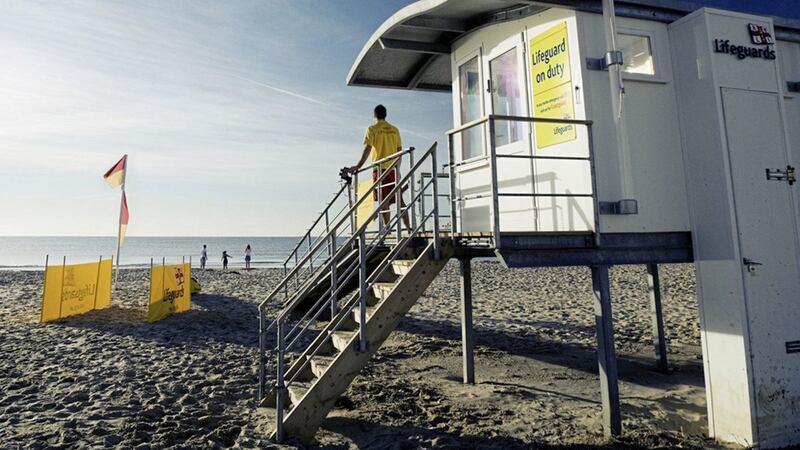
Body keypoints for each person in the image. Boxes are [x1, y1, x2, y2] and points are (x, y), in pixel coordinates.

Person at [349, 104, 411, 231]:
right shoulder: (395, 129)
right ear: (385, 114)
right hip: (393, 168)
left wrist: (359, 165)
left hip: (380, 168)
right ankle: (409, 227)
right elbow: (399, 150)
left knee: (383, 202)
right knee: (399, 200)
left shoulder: (372, 129)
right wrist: (397, 168)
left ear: (374, 114)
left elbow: (367, 148)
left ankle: (387, 229)